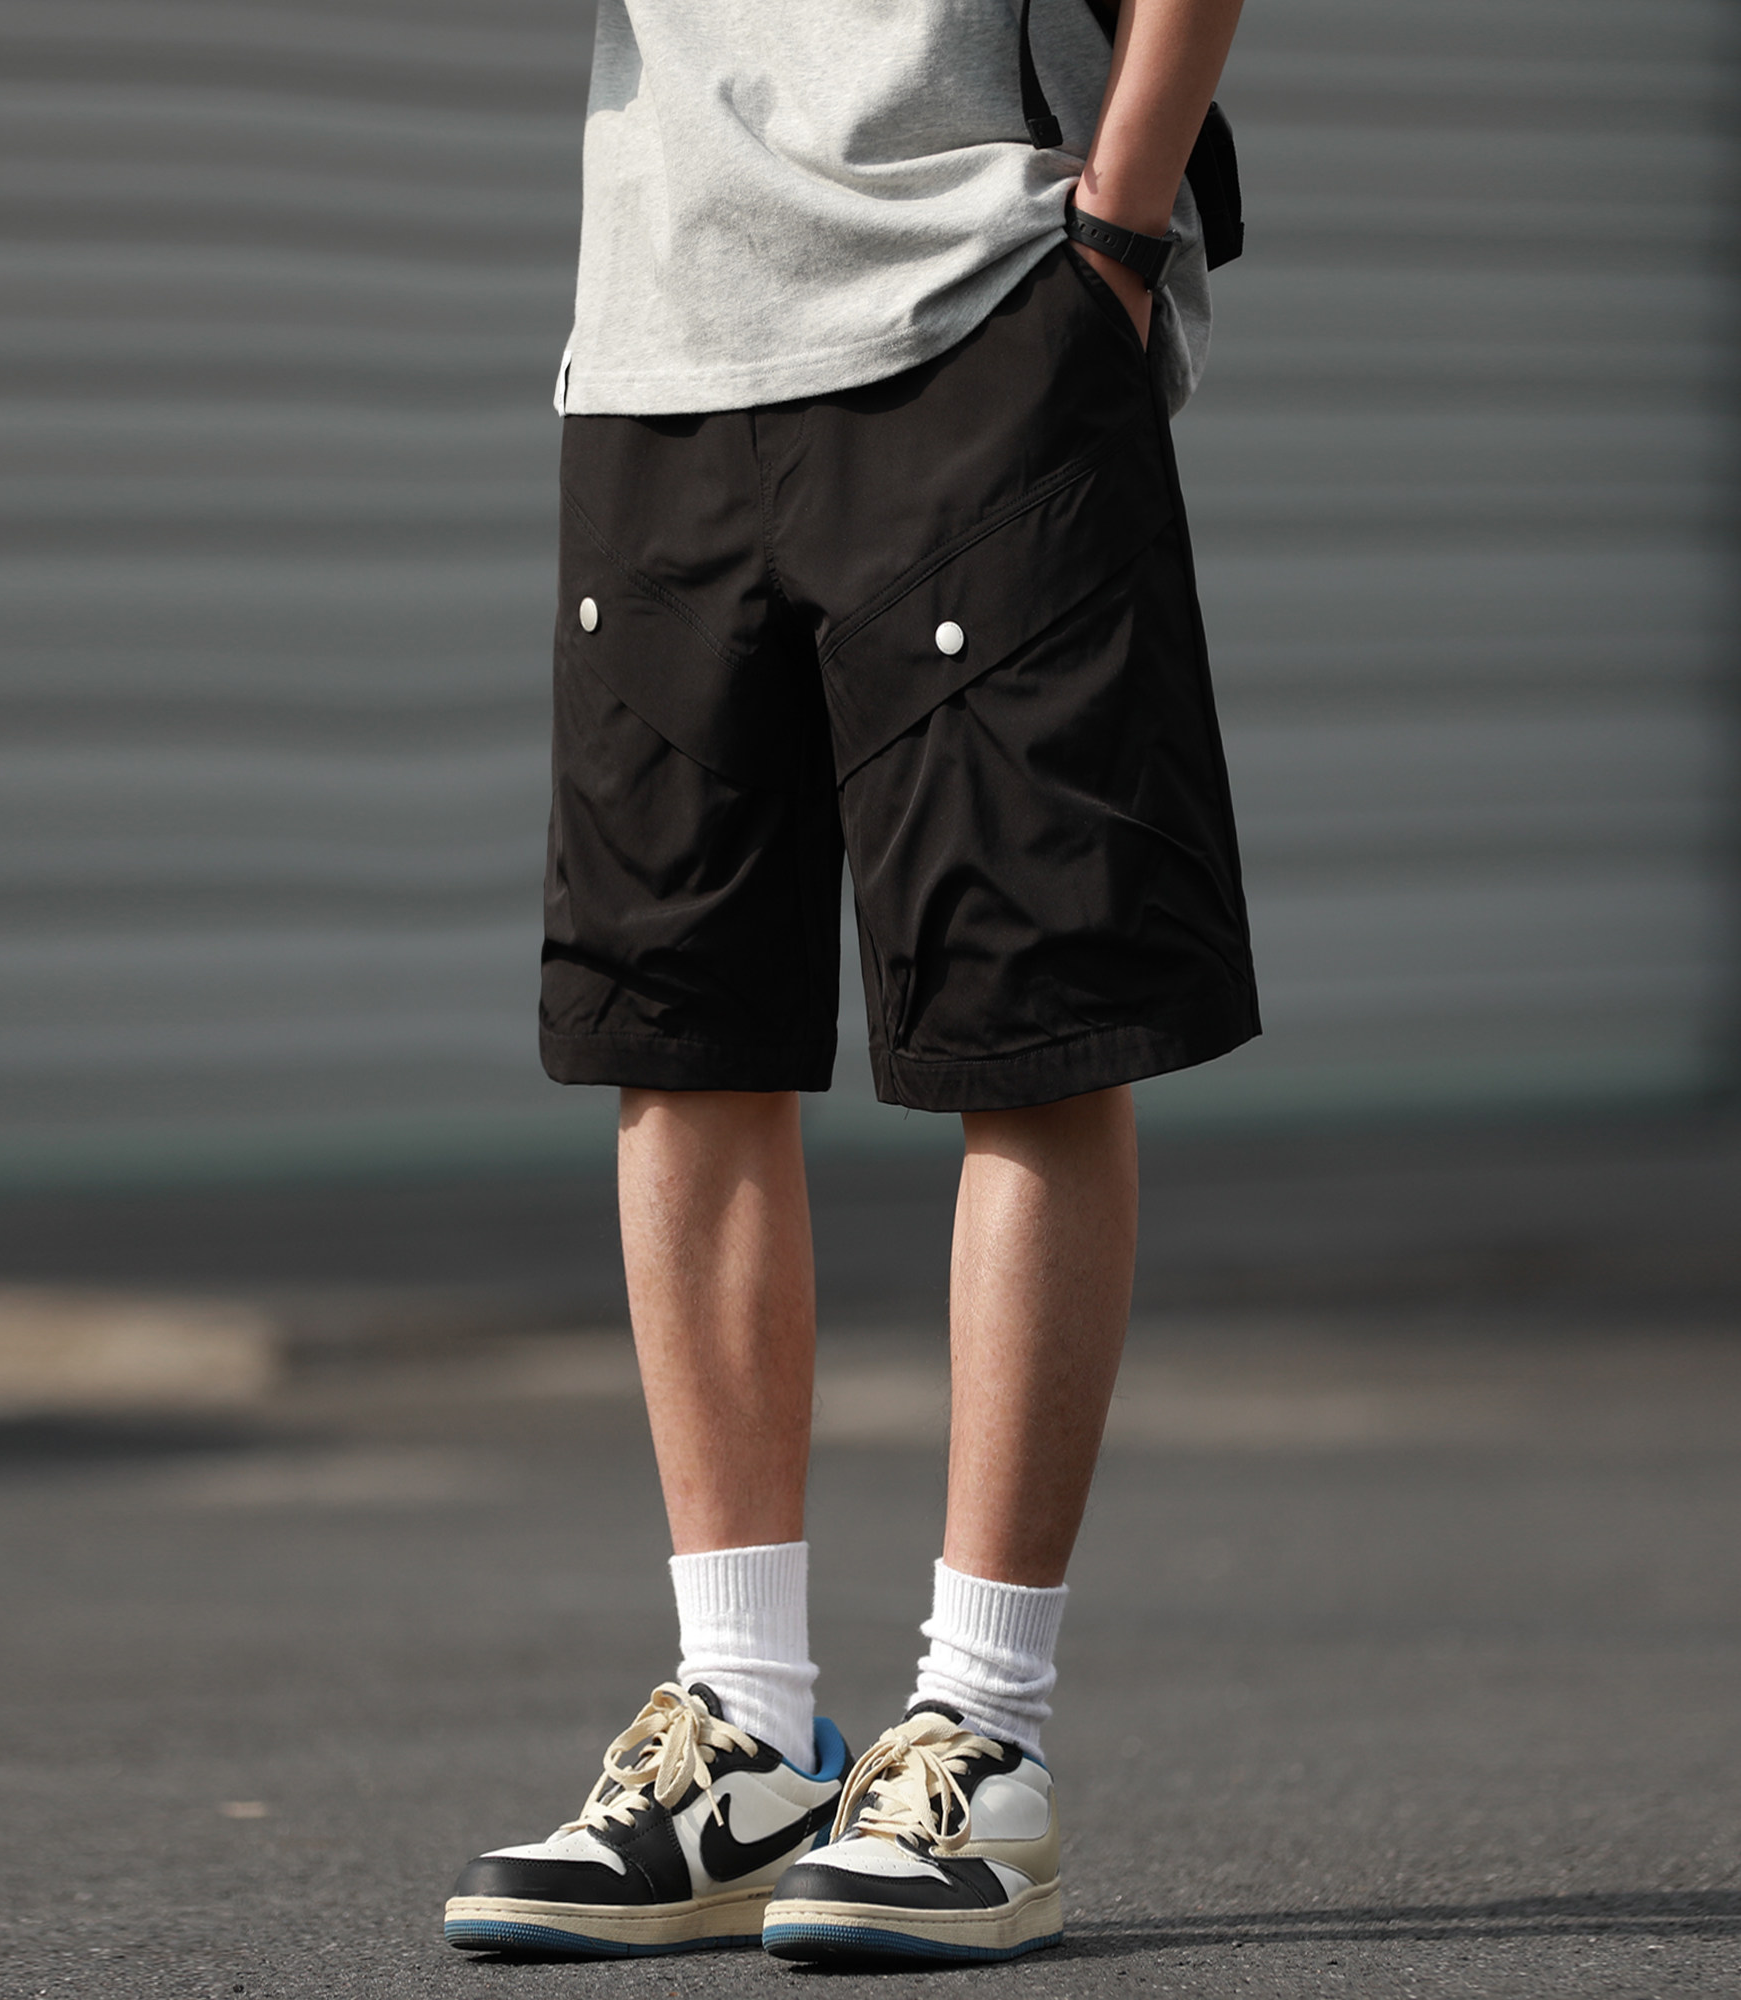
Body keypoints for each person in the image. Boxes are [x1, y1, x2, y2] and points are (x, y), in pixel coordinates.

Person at [443, 0, 1256, 1965]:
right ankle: (740, 1727)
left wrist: (1116, 234)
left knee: (1031, 1029)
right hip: (657, 335)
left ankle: (985, 1728)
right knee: (679, 1036)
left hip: (981, 303)